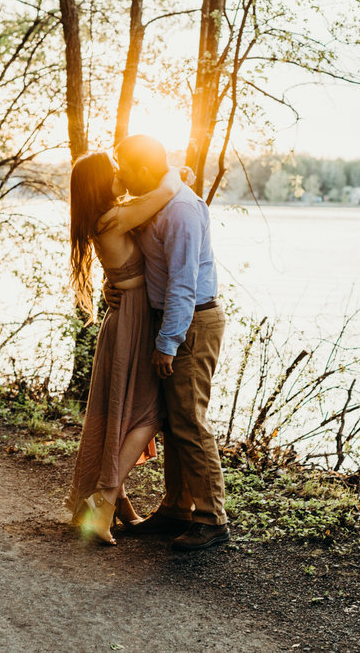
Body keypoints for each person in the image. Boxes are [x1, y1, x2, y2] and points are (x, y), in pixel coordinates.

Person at [109, 134, 230, 552]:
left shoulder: (180, 210)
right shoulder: (158, 200)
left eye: (123, 165)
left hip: (192, 322)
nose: (120, 173)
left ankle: (212, 517)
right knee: (175, 422)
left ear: (143, 169)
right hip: (174, 320)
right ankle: (178, 508)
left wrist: (168, 342)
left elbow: (183, 283)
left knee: (190, 422)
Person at [64, 151, 185, 545]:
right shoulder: (113, 218)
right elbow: (166, 190)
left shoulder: (109, 216)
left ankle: (110, 503)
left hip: (128, 319)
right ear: (101, 181)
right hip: (133, 324)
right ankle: (103, 504)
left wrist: (113, 286)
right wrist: (174, 169)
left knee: (119, 412)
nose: (120, 174)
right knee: (150, 412)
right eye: (113, 171)